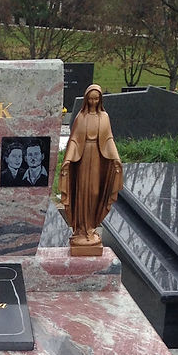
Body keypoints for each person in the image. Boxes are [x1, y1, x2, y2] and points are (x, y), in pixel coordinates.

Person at [58, 84, 123, 249]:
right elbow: (74, 139)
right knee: (82, 192)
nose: (93, 102)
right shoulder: (81, 117)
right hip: (83, 158)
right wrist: (68, 160)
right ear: (86, 99)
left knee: (94, 192)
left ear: (100, 100)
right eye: (91, 99)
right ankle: (81, 229)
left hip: (98, 158)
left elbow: (109, 138)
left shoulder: (104, 117)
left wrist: (115, 158)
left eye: (96, 99)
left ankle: (91, 226)